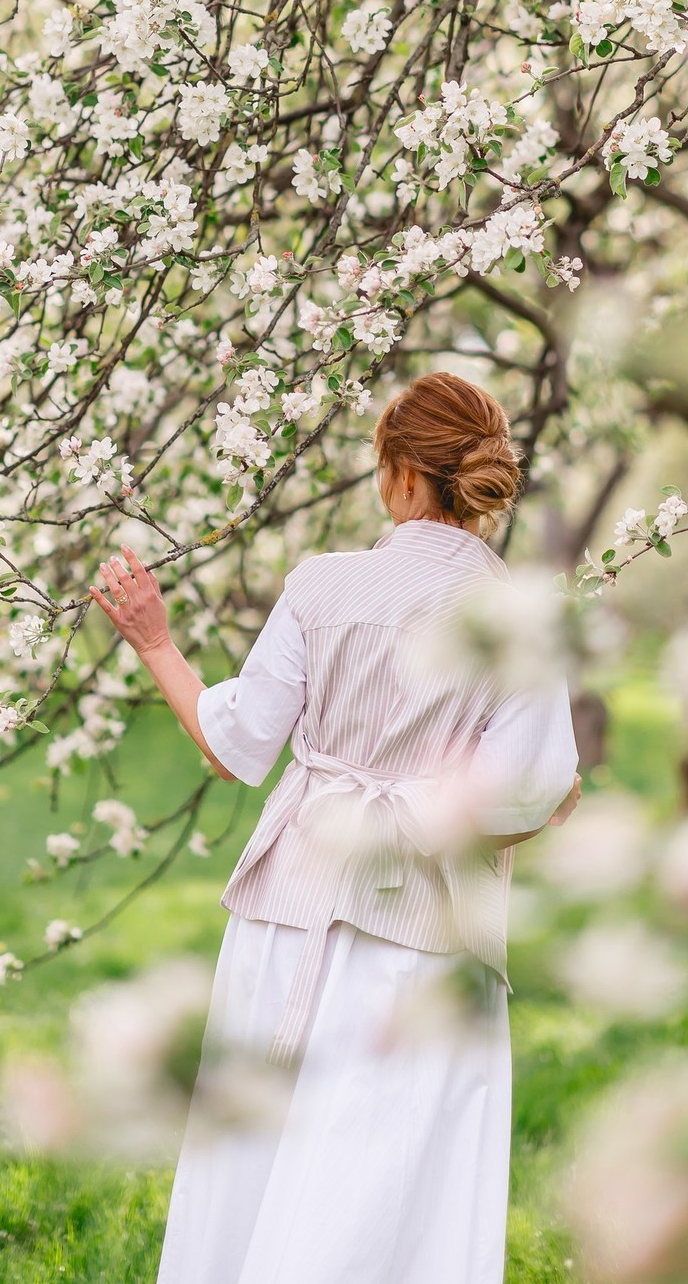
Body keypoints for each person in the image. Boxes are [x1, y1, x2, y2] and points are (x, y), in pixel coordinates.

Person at [89, 370, 582, 1284]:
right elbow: (531, 788)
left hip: (287, 908)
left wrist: (156, 641)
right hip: (424, 936)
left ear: (399, 474)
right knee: (389, 1184)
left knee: (251, 1156)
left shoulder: (323, 586)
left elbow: (236, 741)